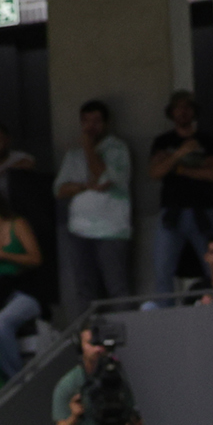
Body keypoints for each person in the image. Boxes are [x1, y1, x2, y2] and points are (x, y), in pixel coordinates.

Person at [55, 100, 134, 308]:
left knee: (117, 287)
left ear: (106, 124)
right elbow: (59, 190)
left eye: (96, 121)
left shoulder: (117, 148)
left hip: (111, 229)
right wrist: (83, 186)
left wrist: (89, 147)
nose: (90, 127)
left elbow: (103, 178)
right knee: (84, 289)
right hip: (79, 230)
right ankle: (87, 338)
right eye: (86, 122)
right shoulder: (73, 154)